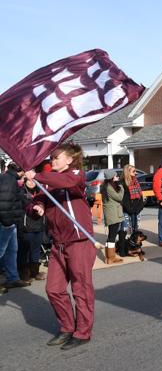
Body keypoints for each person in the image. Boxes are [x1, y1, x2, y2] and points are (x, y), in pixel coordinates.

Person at [25, 143, 97, 350]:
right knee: (54, 289)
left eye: (57, 157)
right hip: (58, 243)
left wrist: (37, 176)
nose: (52, 160)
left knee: (80, 289)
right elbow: (34, 201)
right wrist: (36, 207)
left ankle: (83, 332)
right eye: (52, 157)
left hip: (79, 242)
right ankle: (67, 327)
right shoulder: (49, 182)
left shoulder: (75, 174)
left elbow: (67, 182)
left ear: (69, 160)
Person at [0, 163, 29, 291]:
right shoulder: (9, 180)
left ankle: (13, 278)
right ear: (21, 170)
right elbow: (4, 203)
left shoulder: (11, 179)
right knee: (1, 251)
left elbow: (15, 201)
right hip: (6, 223)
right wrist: (8, 223)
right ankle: (12, 277)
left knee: (11, 251)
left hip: (10, 222)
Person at [18, 171, 47, 282]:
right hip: (26, 225)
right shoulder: (21, 191)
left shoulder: (40, 191)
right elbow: (25, 204)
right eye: (28, 179)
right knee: (25, 251)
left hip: (39, 225)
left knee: (35, 250)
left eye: (33, 178)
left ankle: (35, 272)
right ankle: (24, 274)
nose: (31, 181)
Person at [101, 170, 124, 264]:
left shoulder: (107, 186)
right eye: (116, 176)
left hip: (112, 214)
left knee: (111, 235)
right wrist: (121, 187)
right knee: (112, 236)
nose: (117, 177)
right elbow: (119, 197)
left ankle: (108, 257)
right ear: (111, 177)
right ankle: (111, 257)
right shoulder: (109, 188)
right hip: (113, 214)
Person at [120, 164, 144, 234]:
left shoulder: (136, 181)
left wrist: (140, 207)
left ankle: (133, 243)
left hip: (136, 210)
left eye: (135, 171)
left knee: (135, 228)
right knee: (125, 229)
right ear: (127, 172)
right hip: (127, 210)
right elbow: (123, 198)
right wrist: (129, 209)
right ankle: (124, 243)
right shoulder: (122, 183)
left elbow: (140, 195)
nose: (135, 173)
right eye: (133, 171)